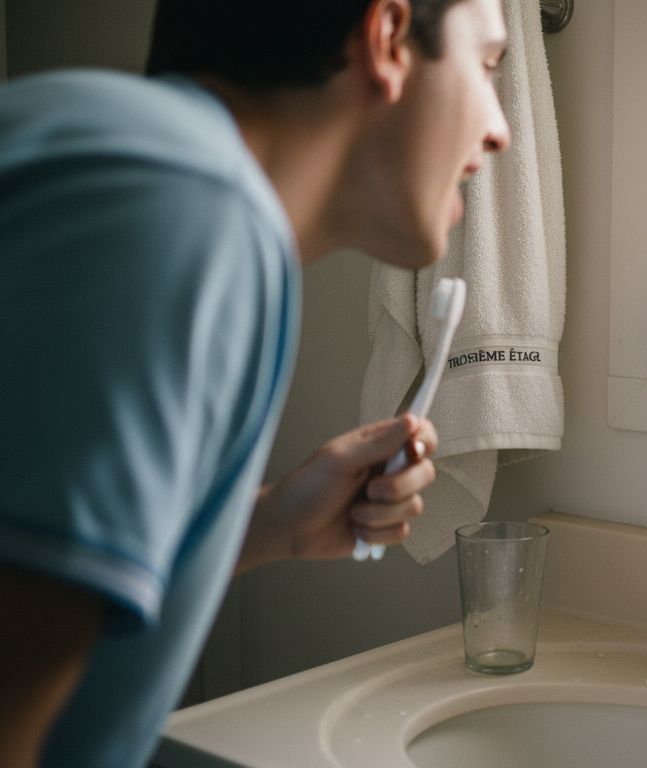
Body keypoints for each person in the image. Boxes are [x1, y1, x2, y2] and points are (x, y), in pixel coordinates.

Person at [0, 0, 511, 765]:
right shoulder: (189, 210)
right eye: (486, 65)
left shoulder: (121, 153)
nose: (499, 128)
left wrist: (276, 523)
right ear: (388, 39)